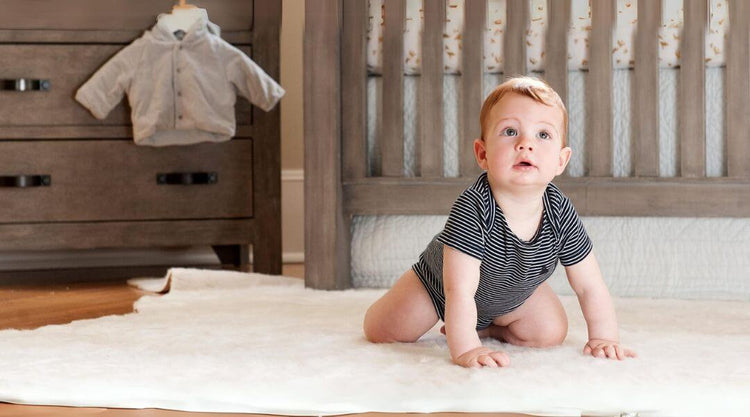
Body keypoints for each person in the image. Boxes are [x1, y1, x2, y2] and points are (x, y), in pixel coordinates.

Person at [363, 76, 636, 368]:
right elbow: (459, 290)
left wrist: (604, 337)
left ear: (561, 160)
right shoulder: (474, 208)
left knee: (550, 331)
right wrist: (466, 347)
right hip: (439, 289)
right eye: (509, 131)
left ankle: (490, 327)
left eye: (543, 135)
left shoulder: (560, 212)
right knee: (384, 331)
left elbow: (589, 285)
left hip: (510, 295)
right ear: (483, 154)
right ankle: (464, 328)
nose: (525, 144)